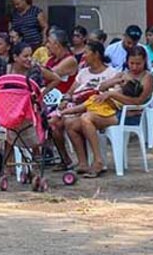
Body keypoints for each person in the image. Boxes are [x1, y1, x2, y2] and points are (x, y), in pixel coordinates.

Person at [65, 45, 153, 177]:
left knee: (86, 118)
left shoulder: (147, 77)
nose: (134, 67)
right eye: (131, 63)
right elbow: (102, 87)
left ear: (145, 61)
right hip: (110, 110)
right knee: (71, 124)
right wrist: (117, 80)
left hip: (127, 114)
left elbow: (138, 101)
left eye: (138, 64)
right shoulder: (123, 73)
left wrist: (113, 95)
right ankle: (83, 163)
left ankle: (98, 161)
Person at [47, 40, 118, 170]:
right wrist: (65, 100)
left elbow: (113, 97)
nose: (84, 55)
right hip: (78, 107)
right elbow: (70, 92)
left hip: (98, 110)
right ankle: (70, 160)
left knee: (72, 121)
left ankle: (92, 162)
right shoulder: (83, 73)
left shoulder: (111, 73)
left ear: (96, 54)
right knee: (55, 124)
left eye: (86, 52)